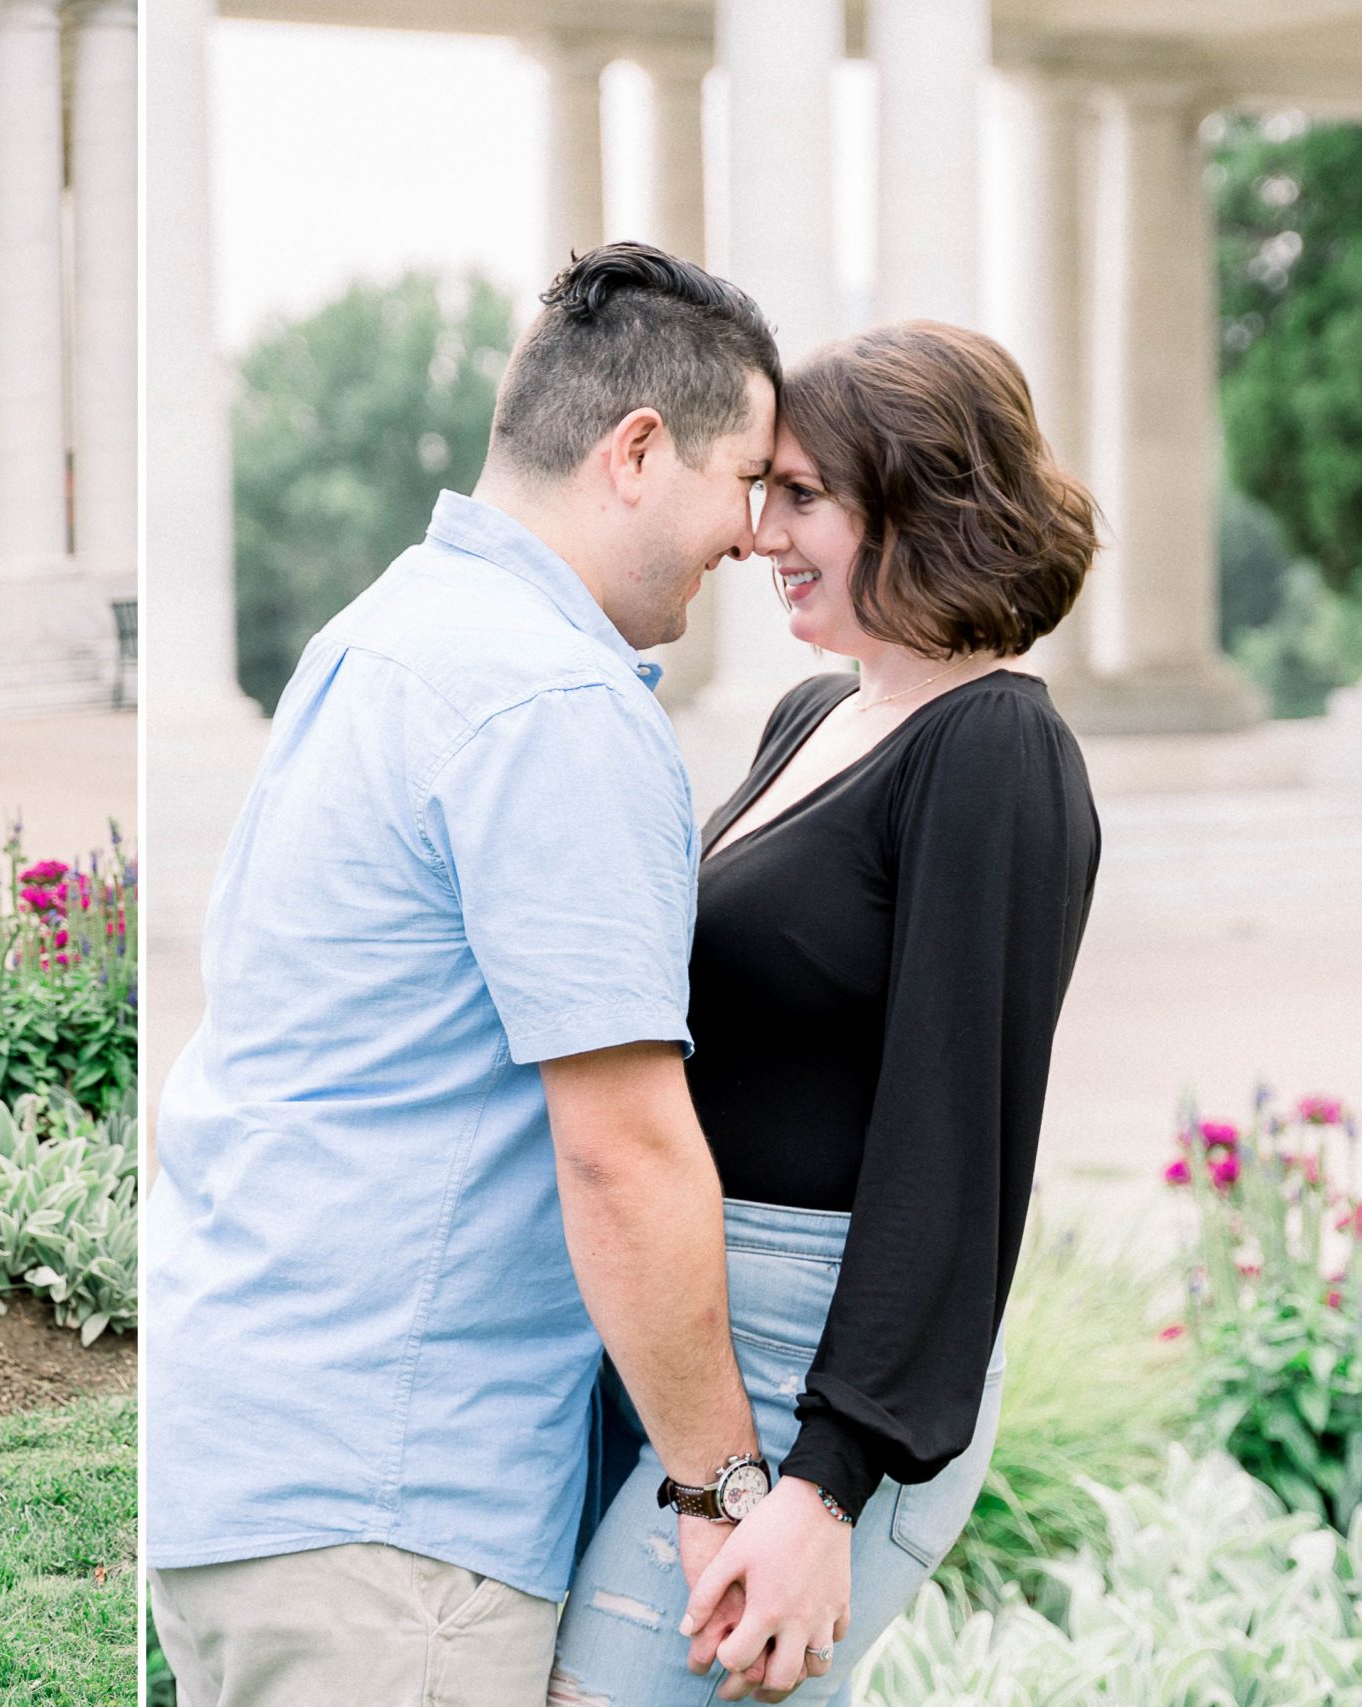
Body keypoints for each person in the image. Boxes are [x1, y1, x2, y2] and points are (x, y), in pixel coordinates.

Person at [146, 243, 848, 1705]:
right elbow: (621, 1151)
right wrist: (729, 1489)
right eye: (745, 479)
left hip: (247, 1449)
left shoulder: (380, 636)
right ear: (637, 450)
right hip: (395, 1508)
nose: (755, 532)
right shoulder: (552, 698)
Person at [550, 320, 1103, 1705]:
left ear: (915, 497)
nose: (759, 530)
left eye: (802, 493)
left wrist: (827, 1481)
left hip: (822, 1374)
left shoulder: (995, 744)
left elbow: (952, 1137)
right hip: (697, 1337)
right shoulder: (811, 712)